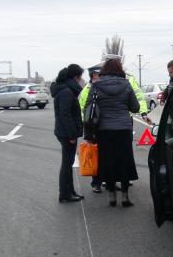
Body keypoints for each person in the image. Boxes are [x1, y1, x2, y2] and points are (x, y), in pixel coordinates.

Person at [92, 58, 140, 207]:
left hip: (104, 130)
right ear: (119, 69)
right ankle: (125, 197)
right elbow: (135, 107)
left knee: (108, 161)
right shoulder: (126, 84)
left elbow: (89, 107)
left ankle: (112, 196)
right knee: (124, 161)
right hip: (123, 129)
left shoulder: (96, 85)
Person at [52, 64, 85, 203]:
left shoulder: (65, 89)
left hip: (64, 132)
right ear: (75, 77)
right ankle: (65, 194)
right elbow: (65, 115)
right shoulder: (67, 92)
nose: (81, 80)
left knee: (68, 163)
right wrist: (71, 135)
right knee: (67, 164)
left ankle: (69, 191)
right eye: (80, 77)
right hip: (66, 134)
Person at [79, 65, 103, 193]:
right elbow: (84, 112)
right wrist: (87, 132)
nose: (101, 76)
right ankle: (96, 183)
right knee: (95, 156)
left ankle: (104, 180)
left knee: (105, 155)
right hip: (93, 127)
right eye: (98, 74)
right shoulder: (87, 90)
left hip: (103, 126)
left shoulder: (102, 87)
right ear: (93, 76)